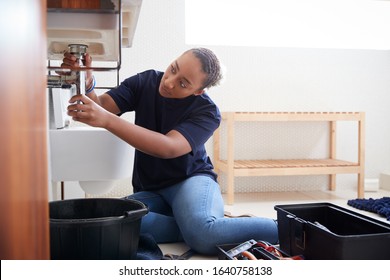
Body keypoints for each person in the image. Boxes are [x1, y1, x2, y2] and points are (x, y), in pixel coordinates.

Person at [62, 47, 278, 255]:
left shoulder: (208, 112)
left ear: (198, 91)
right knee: (110, 222)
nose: (169, 82)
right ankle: (189, 223)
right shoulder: (146, 81)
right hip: (152, 189)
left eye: (183, 83)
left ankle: (282, 226)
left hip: (191, 180)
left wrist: (107, 121)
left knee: (202, 235)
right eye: (173, 69)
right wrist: (87, 80)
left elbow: (168, 147)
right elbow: (103, 107)